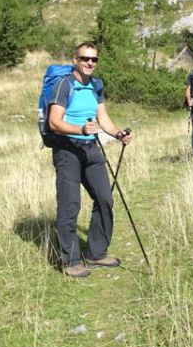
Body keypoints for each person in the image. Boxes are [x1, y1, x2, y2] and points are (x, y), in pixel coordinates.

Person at [47, 42, 133, 278]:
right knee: (70, 204)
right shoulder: (64, 84)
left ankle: (97, 253)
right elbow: (54, 121)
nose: (89, 63)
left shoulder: (96, 85)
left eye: (94, 60)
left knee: (105, 198)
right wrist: (80, 129)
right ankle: (71, 260)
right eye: (85, 58)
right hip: (67, 150)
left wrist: (117, 134)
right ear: (75, 59)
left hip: (91, 148)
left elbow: (102, 116)